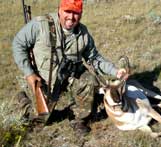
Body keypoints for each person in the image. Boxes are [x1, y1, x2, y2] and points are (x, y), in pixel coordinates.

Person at [12, 0, 128, 135]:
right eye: (68, 11)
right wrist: (29, 73)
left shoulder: (83, 33)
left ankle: (78, 119)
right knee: (39, 121)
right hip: (44, 80)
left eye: (76, 13)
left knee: (89, 80)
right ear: (60, 10)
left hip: (69, 77)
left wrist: (116, 71)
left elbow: (94, 58)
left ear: (81, 14)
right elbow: (18, 43)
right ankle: (23, 99)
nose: (71, 17)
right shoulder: (40, 25)